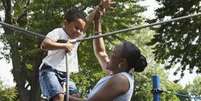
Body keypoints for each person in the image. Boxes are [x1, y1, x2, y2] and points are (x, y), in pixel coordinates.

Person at [39, 1, 113, 101]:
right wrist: (64, 45)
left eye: (81, 30)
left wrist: (99, 7)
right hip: (49, 70)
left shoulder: (76, 38)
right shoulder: (58, 32)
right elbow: (44, 45)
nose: (79, 32)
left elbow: (89, 19)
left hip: (65, 75)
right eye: (76, 27)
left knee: (76, 98)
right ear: (66, 23)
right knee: (58, 97)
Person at [69, 7, 148, 101]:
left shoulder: (121, 80)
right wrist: (97, 22)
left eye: (114, 53)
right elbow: (100, 52)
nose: (110, 54)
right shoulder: (115, 73)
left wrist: (62, 97)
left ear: (122, 61)